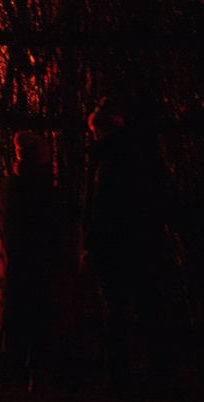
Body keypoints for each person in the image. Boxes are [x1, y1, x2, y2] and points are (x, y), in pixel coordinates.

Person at [84, 95, 178, 391]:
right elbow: (163, 198)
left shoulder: (107, 160)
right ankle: (158, 373)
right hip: (145, 242)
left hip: (117, 245)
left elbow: (100, 208)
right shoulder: (145, 154)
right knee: (150, 307)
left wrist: (91, 243)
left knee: (118, 310)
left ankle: (121, 374)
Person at [0, 132, 66, 392]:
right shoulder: (47, 192)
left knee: (12, 321)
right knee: (41, 320)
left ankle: (8, 375)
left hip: (11, 268)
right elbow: (56, 233)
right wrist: (68, 261)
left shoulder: (5, 187)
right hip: (42, 270)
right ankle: (36, 376)